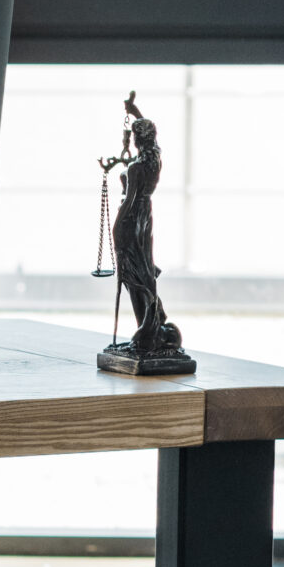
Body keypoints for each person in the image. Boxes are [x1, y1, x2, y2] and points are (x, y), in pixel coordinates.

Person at [97, 90, 186, 364]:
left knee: (134, 277)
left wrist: (116, 229)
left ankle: (147, 330)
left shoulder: (136, 168)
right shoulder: (153, 156)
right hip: (146, 221)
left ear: (137, 138)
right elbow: (150, 132)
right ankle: (149, 325)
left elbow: (129, 201)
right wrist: (135, 111)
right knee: (143, 274)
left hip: (132, 219)